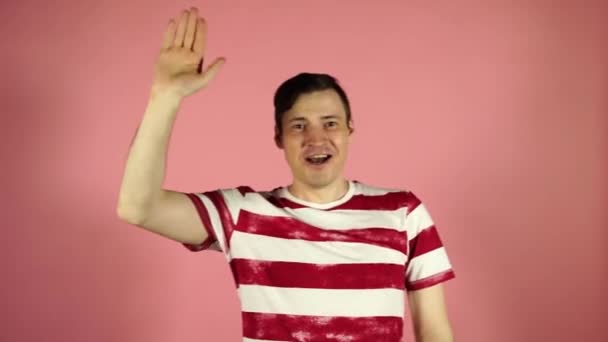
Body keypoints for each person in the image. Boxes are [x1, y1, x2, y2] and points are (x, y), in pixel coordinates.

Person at [117, 6, 456, 342]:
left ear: (350, 130)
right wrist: (165, 97)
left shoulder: (403, 213)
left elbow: (434, 331)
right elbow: (137, 207)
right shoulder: (243, 214)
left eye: (330, 124)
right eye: (299, 126)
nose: (316, 139)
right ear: (279, 138)